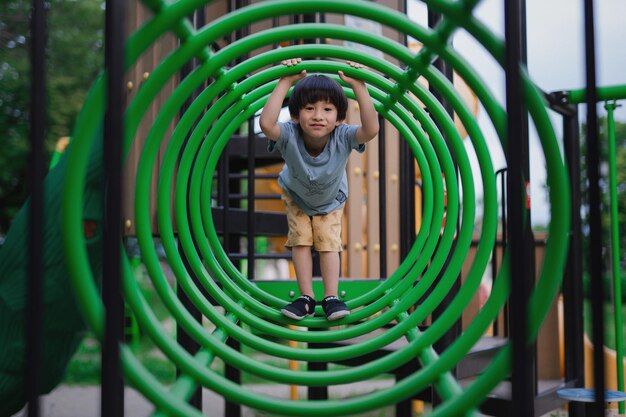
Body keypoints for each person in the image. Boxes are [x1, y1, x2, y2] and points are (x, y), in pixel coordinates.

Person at [259, 58, 379, 320]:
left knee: (328, 243)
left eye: (327, 109)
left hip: (331, 200)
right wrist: (285, 81)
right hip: (296, 195)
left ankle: (331, 297)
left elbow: (371, 129)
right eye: (310, 108)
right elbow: (267, 124)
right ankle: (305, 298)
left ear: (339, 118)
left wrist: (360, 87)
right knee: (300, 241)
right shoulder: (290, 133)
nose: (317, 116)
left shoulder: (344, 135)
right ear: (295, 114)